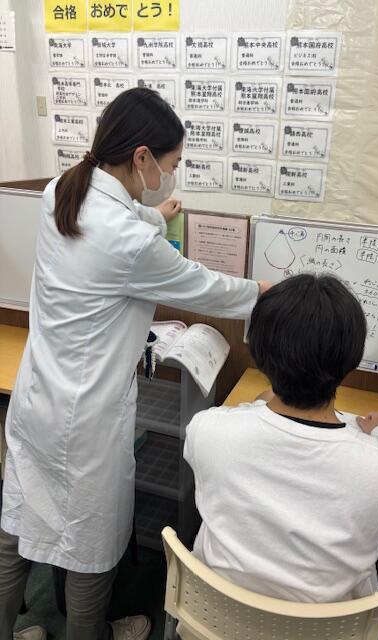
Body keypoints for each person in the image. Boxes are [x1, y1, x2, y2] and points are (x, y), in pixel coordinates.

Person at [0, 88, 270, 640]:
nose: (173, 175)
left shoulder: (62, 190)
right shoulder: (129, 242)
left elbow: (119, 224)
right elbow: (206, 288)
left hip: (36, 400)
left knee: (16, 532)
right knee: (89, 547)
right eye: (172, 163)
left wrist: (155, 214)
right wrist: (264, 292)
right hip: (87, 421)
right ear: (142, 157)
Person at [184, 273, 378, 603]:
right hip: (325, 625)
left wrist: (257, 406)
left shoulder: (207, 430)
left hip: (213, 616)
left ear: (258, 352)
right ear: (351, 358)